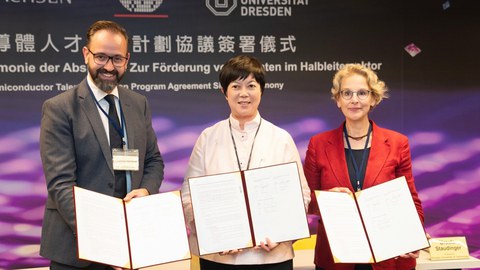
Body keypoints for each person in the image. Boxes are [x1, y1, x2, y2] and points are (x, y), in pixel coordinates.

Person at [39, 20, 164, 269]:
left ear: (127, 60)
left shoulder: (138, 103)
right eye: (101, 57)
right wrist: (105, 238)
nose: (109, 66)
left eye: (117, 59)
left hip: (130, 244)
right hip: (77, 250)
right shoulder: (60, 108)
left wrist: (147, 191)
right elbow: (61, 184)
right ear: (86, 54)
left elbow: (153, 161)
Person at [180, 54, 311, 270]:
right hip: (219, 257)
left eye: (251, 85)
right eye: (235, 86)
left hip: (272, 256)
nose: (243, 94)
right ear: (224, 92)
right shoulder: (207, 138)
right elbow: (188, 197)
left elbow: (301, 195)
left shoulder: (281, 138)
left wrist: (282, 234)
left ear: (261, 90)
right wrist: (214, 235)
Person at [304, 63, 424, 270]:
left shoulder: (397, 143)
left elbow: (410, 200)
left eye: (362, 93)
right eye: (347, 93)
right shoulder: (318, 144)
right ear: (338, 100)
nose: (354, 100)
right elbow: (307, 200)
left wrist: (415, 237)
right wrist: (328, 198)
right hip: (337, 255)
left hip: (387, 253)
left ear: (374, 98)